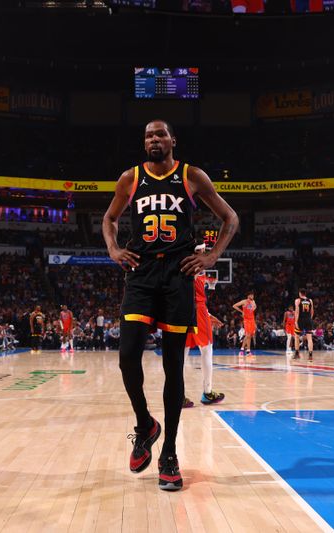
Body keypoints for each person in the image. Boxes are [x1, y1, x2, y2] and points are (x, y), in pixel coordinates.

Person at [102, 119, 238, 491]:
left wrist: (211, 256)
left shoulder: (192, 176)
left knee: (173, 366)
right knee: (127, 355)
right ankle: (145, 424)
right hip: (142, 274)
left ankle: (170, 454)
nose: (154, 139)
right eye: (148, 135)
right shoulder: (129, 179)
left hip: (178, 276)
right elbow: (110, 218)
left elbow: (230, 217)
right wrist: (113, 249)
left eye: (160, 134)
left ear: (173, 140)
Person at [183, 263, 225, 408]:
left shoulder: (179, 262)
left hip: (181, 310)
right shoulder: (196, 263)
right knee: (206, 350)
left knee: (181, 355)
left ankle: (177, 395)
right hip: (198, 310)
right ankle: (207, 392)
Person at [233, 293, 257, 358]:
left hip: (252, 320)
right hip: (247, 320)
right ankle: (244, 350)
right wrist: (242, 311)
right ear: (248, 296)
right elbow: (234, 306)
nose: (252, 296)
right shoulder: (244, 301)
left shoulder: (253, 301)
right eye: (251, 295)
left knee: (249, 336)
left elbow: (254, 307)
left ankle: (245, 350)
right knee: (248, 335)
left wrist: (253, 308)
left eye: (253, 295)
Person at [295, 289, 315, 361]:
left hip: (300, 320)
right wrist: (309, 319)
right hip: (308, 320)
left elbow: (297, 312)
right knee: (309, 338)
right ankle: (310, 355)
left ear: (300, 293)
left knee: (297, 336)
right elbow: (312, 312)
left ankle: (297, 354)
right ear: (305, 294)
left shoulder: (298, 300)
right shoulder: (310, 300)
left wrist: (296, 322)